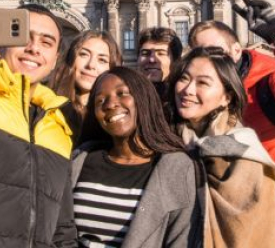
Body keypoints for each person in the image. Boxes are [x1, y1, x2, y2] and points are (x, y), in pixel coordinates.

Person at [0, 1, 77, 247]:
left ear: (55, 60)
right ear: (1, 44)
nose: (34, 48)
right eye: (23, 36)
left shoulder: (58, 124)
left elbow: (62, 229)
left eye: (46, 42)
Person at [72, 67, 201, 248]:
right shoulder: (81, 161)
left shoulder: (177, 169)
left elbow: (181, 240)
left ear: (143, 98)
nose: (110, 104)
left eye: (122, 93)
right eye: (100, 100)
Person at [168, 46, 275, 248]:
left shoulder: (246, 155)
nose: (188, 90)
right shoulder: (165, 140)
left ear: (227, 97)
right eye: (184, 78)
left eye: (203, 83)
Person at [188, 19, 275, 161]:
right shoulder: (196, 89)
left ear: (236, 50)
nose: (208, 60)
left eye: (213, 51)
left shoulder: (268, 77)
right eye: (198, 55)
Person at [50, 30, 122, 146]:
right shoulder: (46, 105)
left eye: (102, 60)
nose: (91, 65)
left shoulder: (119, 114)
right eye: (84, 54)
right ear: (71, 59)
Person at [137, 27, 182, 104]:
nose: (152, 60)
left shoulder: (183, 99)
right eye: (145, 53)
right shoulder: (129, 97)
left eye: (161, 53)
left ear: (175, 61)